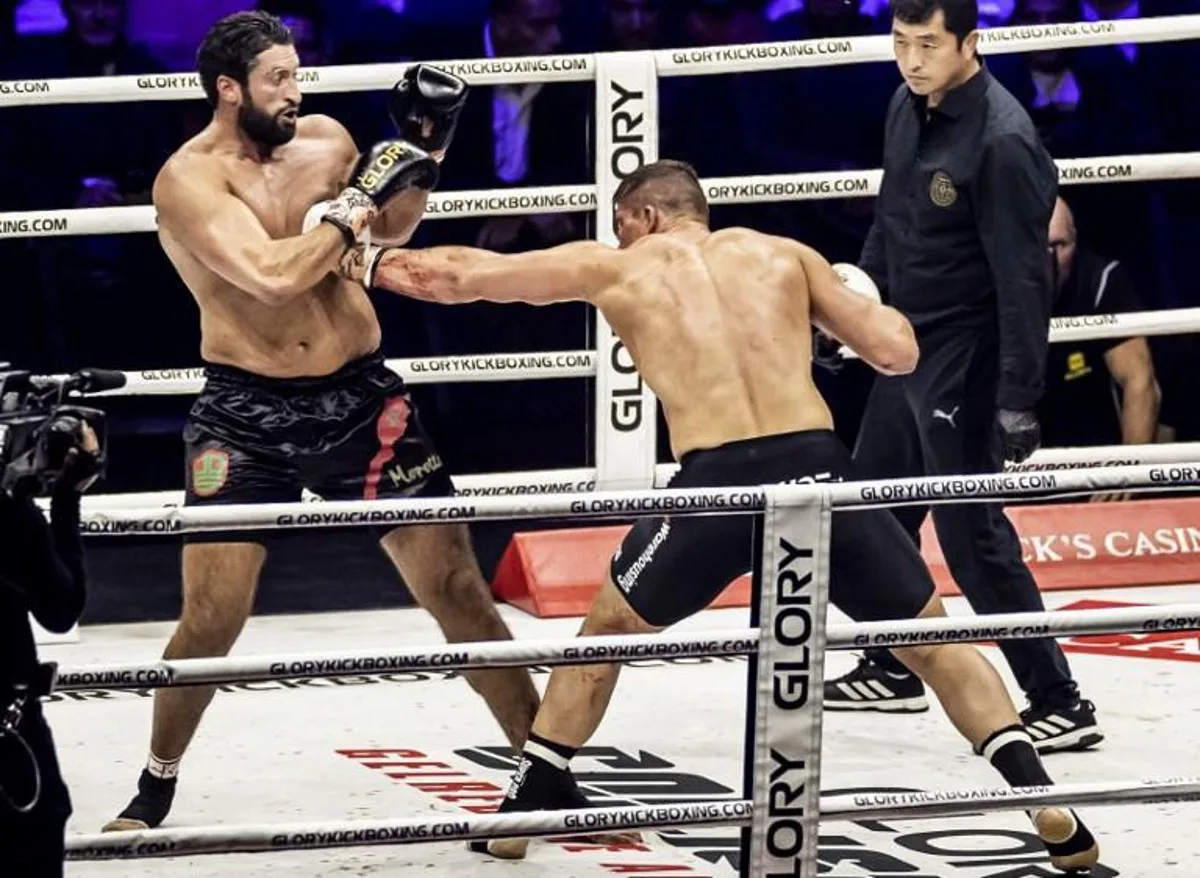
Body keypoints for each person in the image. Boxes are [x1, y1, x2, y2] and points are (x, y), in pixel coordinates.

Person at [340, 159, 1100, 872]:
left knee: (606, 635)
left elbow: (457, 276)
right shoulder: (785, 255)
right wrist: (853, 303)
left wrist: (356, 255)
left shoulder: (619, 266)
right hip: (820, 470)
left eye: (619, 225)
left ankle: (525, 807)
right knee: (933, 643)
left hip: (717, 486)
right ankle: (1041, 798)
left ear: (641, 216)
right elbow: (897, 353)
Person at [102, 10, 540, 833]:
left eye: (298, 73)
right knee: (212, 617)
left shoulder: (328, 140)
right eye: (277, 78)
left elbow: (391, 228)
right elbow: (272, 277)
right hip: (243, 414)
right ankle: (153, 790)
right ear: (229, 90)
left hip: (362, 401)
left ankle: (542, 779)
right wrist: (358, 198)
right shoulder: (188, 180)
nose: (295, 91)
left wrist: (427, 152)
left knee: (456, 589)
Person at [819, 0, 1103, 755]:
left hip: (968, 353)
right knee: (874, 509)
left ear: (970, 43)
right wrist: (857, 317)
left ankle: (1058, 698)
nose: (912, 59)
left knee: (969, 530)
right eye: (901, 42)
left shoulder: (1004, 140)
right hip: (908, 341)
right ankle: (892, 663)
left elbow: (1025, 278)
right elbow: (891, 220)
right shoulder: (905, 105)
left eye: (928, 44)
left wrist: (1018, 395)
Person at [1, 412, 101, 877]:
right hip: (7, 725)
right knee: (34, 832)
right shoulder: (10, 516)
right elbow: (61, 611)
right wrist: (67, 497)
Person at [1040, 197, 1160, 475]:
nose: (1049, 259)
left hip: (1097, 469)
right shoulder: (987, 289)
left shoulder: (1099, 281)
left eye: (1060, 245)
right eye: (1037, 244)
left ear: (1076, 241)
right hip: (1018, 472)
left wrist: (1129, 474)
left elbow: (1140, 382)